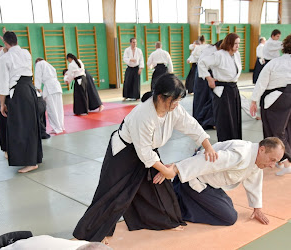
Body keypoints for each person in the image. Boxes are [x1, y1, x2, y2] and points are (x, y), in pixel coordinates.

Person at [73, 73, 218, 244]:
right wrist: (166, 170)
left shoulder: (174, 109)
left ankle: (162, 221)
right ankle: (94, 233)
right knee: (113, 194)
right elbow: (145, 153)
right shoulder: (143, 115)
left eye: (179, 100)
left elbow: (190, 124)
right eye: (174, 100)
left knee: (158, 187)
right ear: (160, 97)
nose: (177, 104)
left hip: (148, 152)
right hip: (124, 154)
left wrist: (207, 145)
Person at [170, 137, 285, 226]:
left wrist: (257, 208)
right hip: (195, 179)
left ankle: (181, 193)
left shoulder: (257, 159)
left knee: (228, 205)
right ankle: (175, 208)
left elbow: (254, 182)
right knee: (229, 217)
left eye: (276, 162)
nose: (272, 165)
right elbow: (206, 160)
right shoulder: (240, 154)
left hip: (211, 184)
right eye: (272, 160)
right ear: (262, 149)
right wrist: (176, 169)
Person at [0, 31, 43, 173]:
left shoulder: (5, 58)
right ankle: (33, 158)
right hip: (29, 90)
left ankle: (30, 161)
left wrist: (2, 104)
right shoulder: (26, 53)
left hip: (18, 94)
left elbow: (3, 83)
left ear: (5, 43)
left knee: (20, 126)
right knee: (31, 125)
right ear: (16, 40)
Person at [250, 34, 291, 176]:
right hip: (286, 96)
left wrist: (254, 100)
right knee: (288, 129)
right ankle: (283, 160)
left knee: (276, 131)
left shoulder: (275, 63)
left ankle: (286, 162)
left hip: (277, 99)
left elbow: (261, 82)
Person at [198, 33, 242, 142]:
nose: (237, 46)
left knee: (235, 118)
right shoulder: (219, 55)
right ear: (229, 43)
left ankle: (236, 143)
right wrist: (209, 78)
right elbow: (202, 63)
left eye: (238, 44)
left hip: (233, 89)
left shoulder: (236, 55)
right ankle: (225, 143)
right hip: (222, 90)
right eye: (235, 43)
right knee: (224, 119)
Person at [193, 40, 223, 129]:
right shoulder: (210, 51)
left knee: (209, 98)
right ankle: (202, 121)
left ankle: (208, 121)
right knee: (204, 98)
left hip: (206, 74)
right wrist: (209, 78)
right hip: (203, 76)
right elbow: (202, 64)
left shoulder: (213, 50)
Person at [34, 58, 65, 134]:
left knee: (52, 109)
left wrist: (37, 88)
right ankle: (61, 126)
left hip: (50, 88)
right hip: (57, 86)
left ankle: (57, 128)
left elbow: (37, 77)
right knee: (59, 108)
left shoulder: (39, 64)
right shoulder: (49, 65)